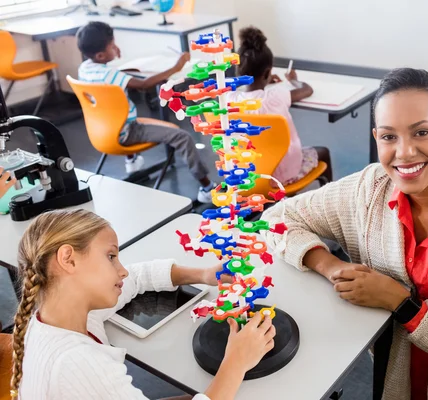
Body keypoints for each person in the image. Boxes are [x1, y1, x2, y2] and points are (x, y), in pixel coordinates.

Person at [262, 68, 428, 399]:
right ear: (376, 138)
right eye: (389, 136)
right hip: (395, 381)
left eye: (421, 133)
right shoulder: (368, 189)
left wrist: (402, 304)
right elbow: (275, 219)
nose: (404, 153)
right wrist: (332, 266)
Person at [10, 209, 275, 399]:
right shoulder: (80, 365)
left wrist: (203, 275)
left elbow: (137, 277)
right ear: (68, 259)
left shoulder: (55, 314)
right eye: (111, 256)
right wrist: (236, 362)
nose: (122, 270)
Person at [76, 21, 216, 203]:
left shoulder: (84, 69)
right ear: (101, 55)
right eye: (112, 45)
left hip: (102, 131)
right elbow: (144, 85)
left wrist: (115, 64)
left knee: (121, 111)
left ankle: (132, 163)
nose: (116, 48)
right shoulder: (112, 75)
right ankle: (207, 187)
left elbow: (108, 75)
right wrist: (177, 67)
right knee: (182, 137)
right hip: (127, 132)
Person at [225, 26, 333, 184]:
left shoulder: (229, 99)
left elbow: (233, 87)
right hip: (282, 174)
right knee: (323, 152)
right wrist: (293, 80)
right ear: (268, 72)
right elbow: (307, 90)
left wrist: (259, 78)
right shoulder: (276, 96)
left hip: (247, 174)